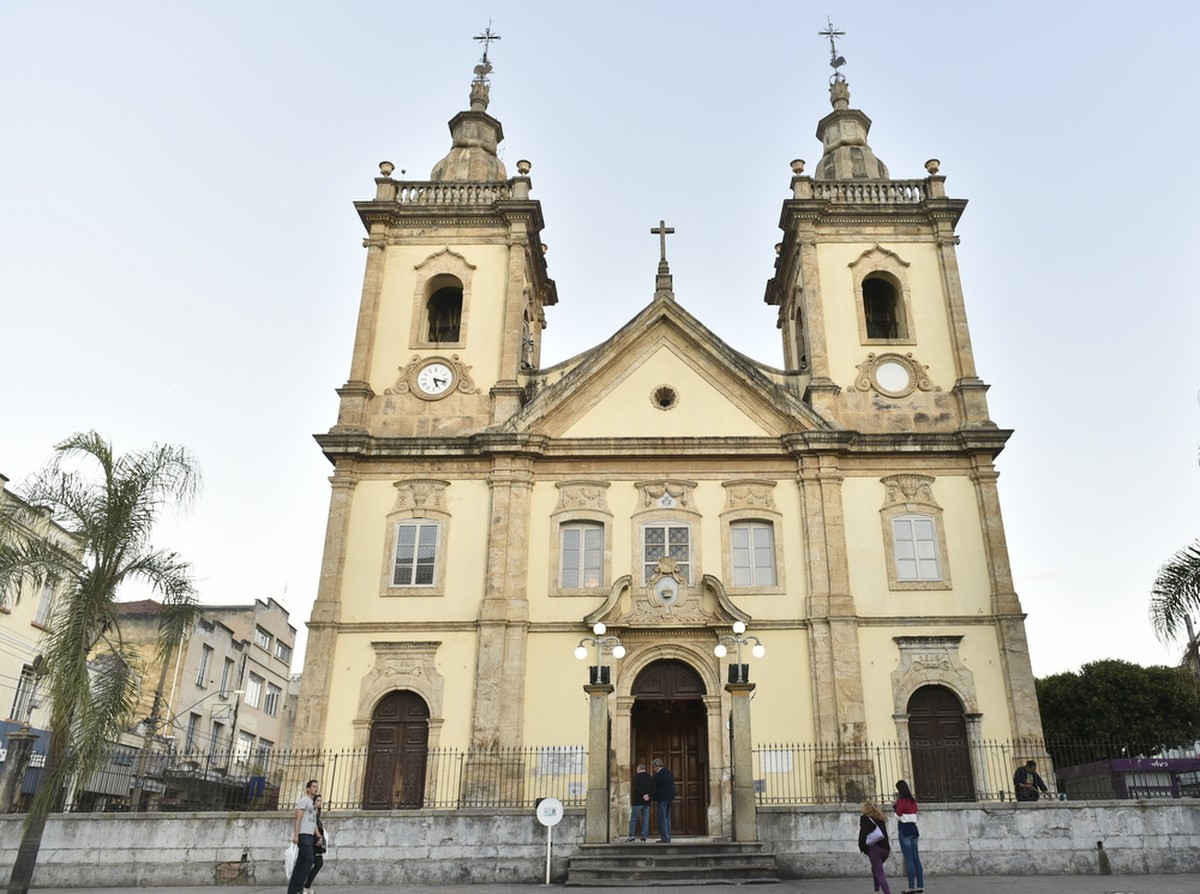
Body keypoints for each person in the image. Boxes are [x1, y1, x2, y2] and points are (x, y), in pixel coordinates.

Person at [287, 779, 320, 894]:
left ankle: (292, 891)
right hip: (303, 834)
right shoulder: (303, 801)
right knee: (309, 860)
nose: (316, 788)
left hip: (310, 836)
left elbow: (313, 822)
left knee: (300, 863)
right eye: (314, 786)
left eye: (317, 786)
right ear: (308, 789)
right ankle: (298, 889)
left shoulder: (313, 803)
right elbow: (297, 818)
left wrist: (319, 836)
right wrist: (296, 835)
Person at [893, 780, 924, 894]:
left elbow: (897, 816)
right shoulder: (913, 801)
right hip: (914, 829)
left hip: (904, 829)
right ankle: (920, 886)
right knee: (916, 859)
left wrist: (895, 808)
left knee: (909, 860)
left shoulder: (901, 801)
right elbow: (913, 813)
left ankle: (911, 887)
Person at [858, 801, 891, 894]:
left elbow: (863, 834)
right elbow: (885, 834)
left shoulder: (865, 818)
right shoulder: (881, 818)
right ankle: (876, 891)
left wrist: (862, 847)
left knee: (880, 873)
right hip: (885, 849)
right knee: (875, 869)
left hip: (874, 849)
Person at [302, 794, 327, 894]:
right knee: (315, 863)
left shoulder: (317, 814)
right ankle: (304, 887)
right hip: (313, 841)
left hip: (317, 841)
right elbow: (312, 826)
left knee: (316, 863)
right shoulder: (312, 813)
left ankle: (305, 886)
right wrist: (319, 838)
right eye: (317, 801)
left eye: (321, 801)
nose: (319, 803)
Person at [651, 757, 675, 843]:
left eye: (653, 767)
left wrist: (652, 797)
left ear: (657, 766)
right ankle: (668, 836)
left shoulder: (659, 774)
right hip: (669, 798)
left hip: (662, 798)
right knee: (667, 818)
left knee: (662, 818)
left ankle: (665, 837)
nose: (653, 769)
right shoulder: (668, 772)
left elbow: (654, 786)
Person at [628, 763, 654, 842]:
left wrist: (643, 795)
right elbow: (653, 788)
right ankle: (644, 837)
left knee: (634, 819)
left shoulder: (637, 777)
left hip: (637, 801)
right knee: (645, 819)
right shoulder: (650, 777)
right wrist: (648, 795)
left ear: (638, 769)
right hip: (647, 801)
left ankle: (632, 836)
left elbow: (636, 788)